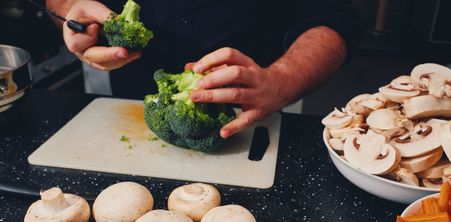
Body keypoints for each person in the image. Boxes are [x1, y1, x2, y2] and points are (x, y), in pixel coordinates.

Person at [47, 0, 359, 138]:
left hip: (256, 124)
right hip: (128, 113)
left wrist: (282, 79)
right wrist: (68, 9)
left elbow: (335, 15)